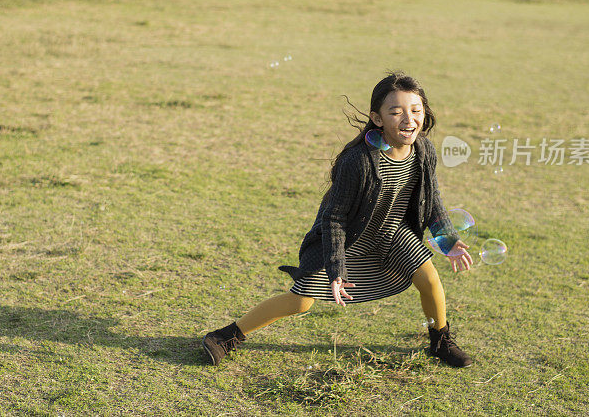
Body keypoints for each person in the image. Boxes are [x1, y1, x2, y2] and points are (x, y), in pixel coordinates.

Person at [202, 71, 474, 368]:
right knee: (300, 302)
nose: (408, 119)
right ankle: (226, 335)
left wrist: (447, 237)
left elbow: (431, 198)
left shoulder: (424, 150)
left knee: (430, 279)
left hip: (395, 233)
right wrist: (336, 268)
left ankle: (440, 339)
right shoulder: (357, 160)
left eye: (416, 110)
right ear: (378, 118)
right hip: (351, 237)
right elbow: (334, 218)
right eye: (396, 112)